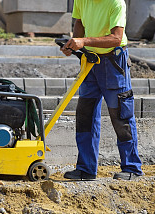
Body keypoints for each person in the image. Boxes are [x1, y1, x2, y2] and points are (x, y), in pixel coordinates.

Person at [61, 0, 143, 181]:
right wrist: (74, 44)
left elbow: (116, 37)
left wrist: (83, 41)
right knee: (85, 115)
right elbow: (80, 22)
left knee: (121, 114)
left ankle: (132, 168)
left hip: (113, 63)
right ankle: (86, 169)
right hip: (90, 61)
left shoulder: (116, 3)